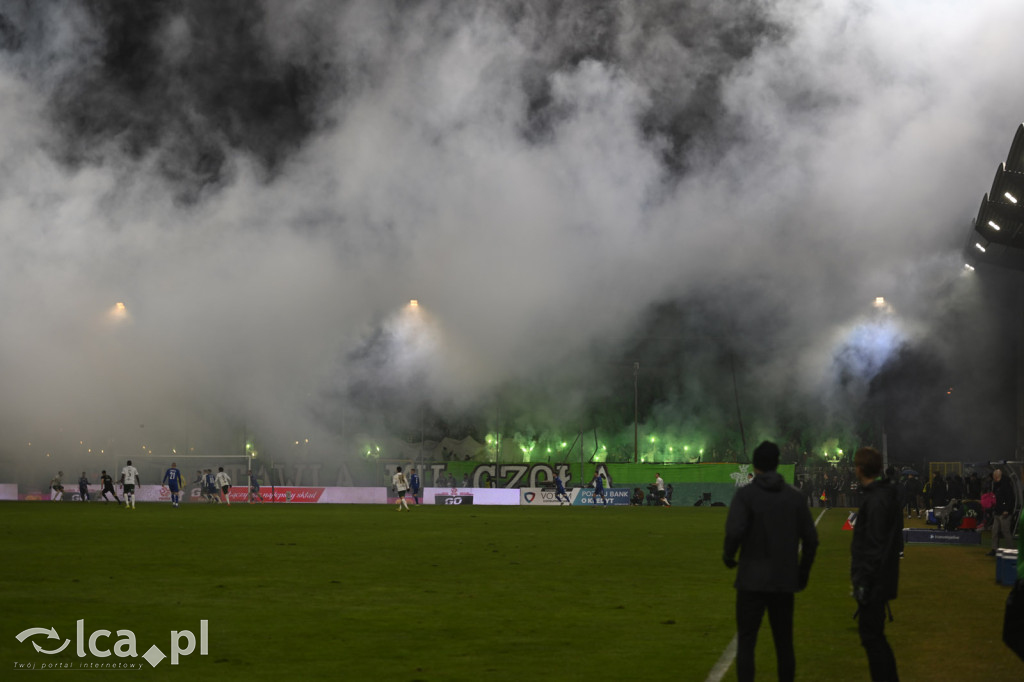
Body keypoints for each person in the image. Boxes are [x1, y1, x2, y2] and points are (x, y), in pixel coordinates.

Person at [723, 441, 818, 682]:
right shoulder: (794, 498)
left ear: (755, 466)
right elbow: (811, 540)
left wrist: (729, 556)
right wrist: (802, 573)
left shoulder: (746, 495)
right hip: (784, 580)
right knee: (784, 643)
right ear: (777, 464)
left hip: (750, 581)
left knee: (746, 643)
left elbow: (734, 531)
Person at [851, 446, 902, 682]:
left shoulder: (877, 499)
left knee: (872, 638)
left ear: (860, 469)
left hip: (875, 581)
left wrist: (864, 582)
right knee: (873, 637)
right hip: (880, 578)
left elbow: (874, 546)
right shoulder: (882, 495)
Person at [988, 467, 1016, 556]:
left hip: (1004, 513)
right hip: (997, 511)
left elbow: (1010, 499)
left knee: (1006, 532)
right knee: (994, 531)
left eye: (993, 476)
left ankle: (1011, 550)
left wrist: (1007, 510)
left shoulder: (1006, 485)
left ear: (996, 476)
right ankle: (994, 549)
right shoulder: (996, 485)